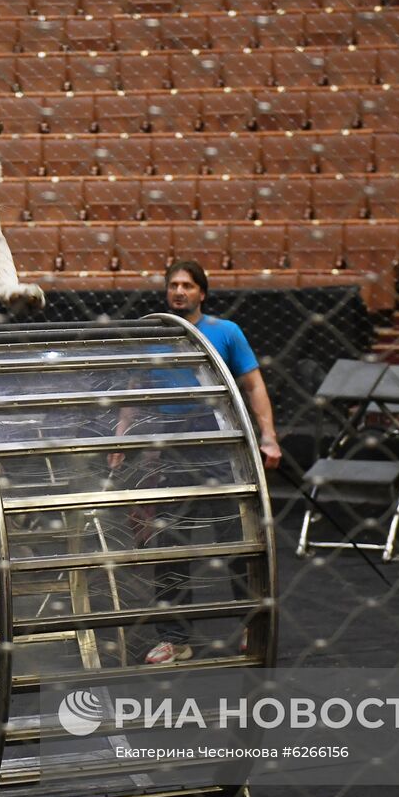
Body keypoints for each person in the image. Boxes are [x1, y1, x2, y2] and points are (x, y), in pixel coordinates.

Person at [109, 260, 281, 665]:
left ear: (202, 292)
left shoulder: (226, 332)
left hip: (218, 443)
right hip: (170, 445)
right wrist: (121, 434)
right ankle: (174, 638)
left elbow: (254, 385)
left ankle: (252, 629)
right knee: (170, 544)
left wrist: (268, 435)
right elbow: (135, 390)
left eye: (188, 285)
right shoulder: (152, 334)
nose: (179, 292)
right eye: (173, 285)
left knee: (239, 542)